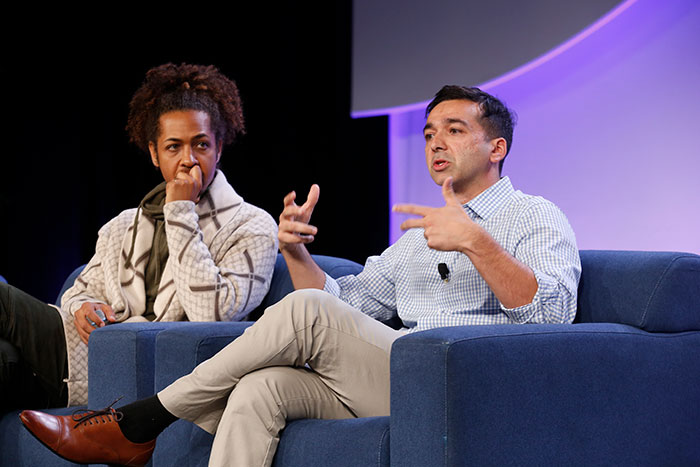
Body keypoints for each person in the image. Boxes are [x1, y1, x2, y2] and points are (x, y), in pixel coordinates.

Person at [19, 85, 581, 466]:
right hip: (396, 377)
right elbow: (344, 307)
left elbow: (552, 316)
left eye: (454, 131)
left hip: (464, 382)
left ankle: (139, 423)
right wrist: (296, 255)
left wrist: (477, 241)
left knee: (305, 318)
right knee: (260, 390)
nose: (436, 142)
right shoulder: (417, 237)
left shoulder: (534, 216)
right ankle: (138, 430)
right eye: (430, 132)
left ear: (497, 147)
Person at [1, 63, 279, 412]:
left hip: (146, 372)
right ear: (154, 153)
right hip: (84, 352)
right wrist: (82, 308)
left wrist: (181, 212)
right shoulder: (124, 224)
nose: (187, 160)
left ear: (219, 149)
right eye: (173, 147)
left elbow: (212, 316)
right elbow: (80, 289)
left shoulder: (251, 226)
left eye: (201, 145)